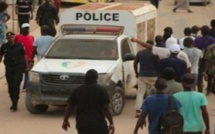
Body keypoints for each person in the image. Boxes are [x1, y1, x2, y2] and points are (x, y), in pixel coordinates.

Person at [62, 69, 115, 134]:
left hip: (83, 125)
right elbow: (106, 108)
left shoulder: (78, 90)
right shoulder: (102, 90)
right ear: (96, 78)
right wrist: (111, 123)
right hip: (99, 125)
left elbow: (69, 107)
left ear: (85, 78)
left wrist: (65, 120)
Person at [0, 32, 28, 111]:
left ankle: (15, 103)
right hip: (9, 68)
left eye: (12, 37)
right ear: (7, 38)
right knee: (10, 86)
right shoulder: (4, 46)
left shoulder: (19, 46)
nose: (11, 38)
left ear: (14, 38)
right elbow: (1, 56)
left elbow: (24, 56)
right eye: (9, 37)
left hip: (18, 68)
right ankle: (13, 100)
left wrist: (27, 66)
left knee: (16, 85)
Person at [133, 41, 159, 117]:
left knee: (140, 93)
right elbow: (158, 65)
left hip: (142, 75)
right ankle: (153, 109)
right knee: (153, 93)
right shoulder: (156, 53)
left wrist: (136, 72)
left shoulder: (140, 53)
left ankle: (138, 110)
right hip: (153, 76)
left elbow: (135, 63)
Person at [194, 25, 215, 94]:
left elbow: (195, 48)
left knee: (200, 73)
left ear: (201, 32)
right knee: (210, 74)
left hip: (200, 58)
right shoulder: (212, 39)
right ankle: (208, 90)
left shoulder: (197, 39)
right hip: (210, 59)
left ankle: (200, 89)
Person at [15, 23, 34, 91]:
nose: (27, 30)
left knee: (27, 73)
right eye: (25, 28)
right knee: (19, 73)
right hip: (19, 59)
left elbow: (33, 49)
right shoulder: (17, 37)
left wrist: (32, 59)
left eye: (28, 28)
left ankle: (25, 87)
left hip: (29, 59)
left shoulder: (31, 37)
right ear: (22, 29)